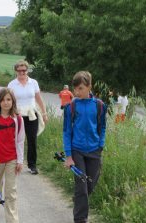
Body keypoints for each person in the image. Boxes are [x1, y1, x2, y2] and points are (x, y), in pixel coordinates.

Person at [63, 71, 107, 223]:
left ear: (89, 87)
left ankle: (79, 199)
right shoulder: (71, 107)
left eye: (80, 88)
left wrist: (101, 145)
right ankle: (80, 219)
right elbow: (67, 132)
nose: (77, 92)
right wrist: (68, 156)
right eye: (75, 88)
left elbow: (102, 128)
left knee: (90, 185)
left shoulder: (100, 106)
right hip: (77, 151)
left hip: (94, 150)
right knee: (82, 185)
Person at [0, 88, 25, 222]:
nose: (6, 103)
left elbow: (20, 141)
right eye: (3, 100)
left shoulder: (18, 119)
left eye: (9, 99)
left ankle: (12, 219)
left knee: (11, 190)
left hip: (12, 159)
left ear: (13, 101)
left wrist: (20, 160)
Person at [7, 60, 47, 175]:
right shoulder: (12, 84)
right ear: (16, 71)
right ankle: (13, 163)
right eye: (19, 70)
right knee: (15, 140)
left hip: (31, 115)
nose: (22, 72)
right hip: (17, 115)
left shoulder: (33, 82)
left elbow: (39, 99)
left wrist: (44, 113)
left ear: (27, 70)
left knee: (32, 140)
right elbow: (8, 100)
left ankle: (32, 165)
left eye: (24, 70)